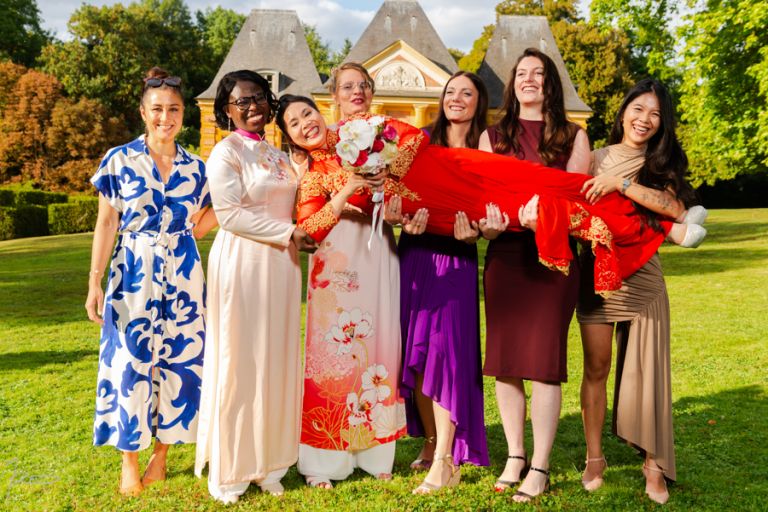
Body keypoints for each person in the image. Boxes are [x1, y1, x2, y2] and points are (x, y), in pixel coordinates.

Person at [86, 66, 215, 497]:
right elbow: (107, 222)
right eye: (157, 109)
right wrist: (94, 280)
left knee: (179, 364)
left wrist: (194, 228)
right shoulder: (118, 159)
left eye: (174, 109)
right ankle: (129, 460)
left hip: (183, 275)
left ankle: (161, 456)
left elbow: (213, 215)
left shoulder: (198, 168)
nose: (166, 117)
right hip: (132, 275)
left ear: (183, 115)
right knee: (130, 363)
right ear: (143, 112)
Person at [472, 47, 591, 502]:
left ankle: (540, 463)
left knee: (542, 364)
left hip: (553, 260)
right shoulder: (492, 136)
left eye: (538, 74)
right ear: (513, 83)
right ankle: (514, 455)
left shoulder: (573, 136)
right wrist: (489, 224)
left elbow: (578, 203)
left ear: (550, 84)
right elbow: (486, 200)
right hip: (505, 256)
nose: (529, 80)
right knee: (505, 364)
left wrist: (546, 218)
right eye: (521, 73)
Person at [194, 70, 316, 504]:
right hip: (243, 262)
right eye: (241, 101)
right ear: (226, 110)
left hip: (282, 267)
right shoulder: (225, 153)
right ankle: (231, 468)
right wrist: (289, 235)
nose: (252, 107)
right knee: (241, 359)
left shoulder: (279, 155)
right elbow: (230, 215)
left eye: (259, 98)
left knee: (277, 358)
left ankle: (270, 462)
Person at [577, 78, 699, 505]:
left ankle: (653, 465)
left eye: (655, 115)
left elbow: (677, 211)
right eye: (638, 109)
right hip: (597, 276)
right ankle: (595, 459)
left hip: (644, 279)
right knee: (596, 367)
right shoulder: (592, 157)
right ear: (623, 110)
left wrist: (622, 185)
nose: (644, 120)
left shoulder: (660, 164)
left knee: (648, 372)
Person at [277, 90, 406, 489]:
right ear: (291, 137)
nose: (305, 124)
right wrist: (347, 191)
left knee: (380, 350)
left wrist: (386, 195)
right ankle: (324, 461)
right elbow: (308, 230)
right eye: (294, 124)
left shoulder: (366, 145)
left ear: (321, 111)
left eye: (307, 114)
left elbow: (398, 196)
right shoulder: (310, 174)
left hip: (379, 253)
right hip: (336, 267)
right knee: (333, 357)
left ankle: (375, 451)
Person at [392, 71, 491, 494]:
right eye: (451, 91)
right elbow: (393, 193)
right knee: (414, 357)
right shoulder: (418, 144)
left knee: (445, 355)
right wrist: (397, 215)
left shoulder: (486, 149)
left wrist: (483, 231)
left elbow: (492, 209)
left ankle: (448, 461)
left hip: (456, 259)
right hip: (414, 255)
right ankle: (432, 443)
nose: (457, 98)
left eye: (466, 93)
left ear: (477, 102)